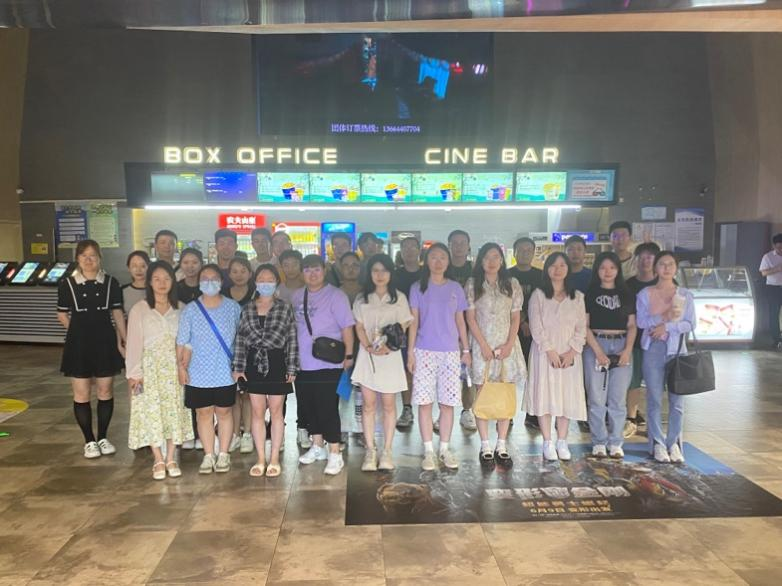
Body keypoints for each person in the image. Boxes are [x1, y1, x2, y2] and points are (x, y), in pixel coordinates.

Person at [56, 239, 126, 459]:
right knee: (82, 393)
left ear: (99, 258)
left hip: (105, 342)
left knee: (105, 390)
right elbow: (62, 314)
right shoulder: (67, 284)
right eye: (84, 255)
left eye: (93, 255)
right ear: (77, 258)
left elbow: (117, 313)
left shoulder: (111, 283)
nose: (88, 260)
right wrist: (77, 331)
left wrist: (125, 339)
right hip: (78, 345)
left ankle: (103, 437)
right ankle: (89, 440)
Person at [125, 261, 193, 480]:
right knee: (151, 410)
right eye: (157, 279)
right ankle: (158, 458)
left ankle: (171, 457)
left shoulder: (181, 308)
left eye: (166, 278)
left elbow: (188, 340)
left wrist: (184, 366)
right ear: (150, 282)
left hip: (174, 368)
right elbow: (134, 343)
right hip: (149, 368)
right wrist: (134, 374)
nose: (162, 283)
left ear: (173, 281)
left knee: (174, 409)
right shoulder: (140, 309)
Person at [408, 242, 471, 471]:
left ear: (448, 261)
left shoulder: (455, 288)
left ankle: (444, 449)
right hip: (424, 351)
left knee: (447, 403)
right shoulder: (418, 287)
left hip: (450, 353)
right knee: (425, 403)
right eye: (433, 257)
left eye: (442, 257)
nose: (438, 261)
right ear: (426, 260)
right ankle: (428, 451)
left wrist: (466, 350)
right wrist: (410, 352)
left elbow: (461, 322)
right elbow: (413, 322)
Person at [233, 264, 299, 478]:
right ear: (255, 282)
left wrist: (292, 366)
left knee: (277, 412)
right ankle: (261, 458)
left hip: (278, 361)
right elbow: (241, 339)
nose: (265, 283)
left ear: (276, 282)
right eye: (261, 279)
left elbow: (292, 338)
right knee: (257, 412)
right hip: (254, 363)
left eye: (270, 279)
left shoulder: (284, 307)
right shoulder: (247, 309)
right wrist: (238, 367)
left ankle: (274, 459)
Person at [465, 243, 527, 467]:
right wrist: (482, 345)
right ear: (480, 261)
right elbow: (471, 318)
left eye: (496, 257)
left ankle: (501, 444)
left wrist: (509, 344)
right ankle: (485, 446)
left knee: (505, 393)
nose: (491, 261)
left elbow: (516, 318)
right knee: (482, 393)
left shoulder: (512, 284)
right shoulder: (472, 284)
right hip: (481, 345)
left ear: (502, 260)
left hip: (506, 345)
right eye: (487, 257)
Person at [292, 255, 355, 475]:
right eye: (307, 270)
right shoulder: (297, 296)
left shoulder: (336, 296)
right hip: (302, 363)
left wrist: (349, 355)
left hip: (328, 363)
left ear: (324, 270)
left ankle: (335, 453)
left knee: (327, 408)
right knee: (309, 407)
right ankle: (317, 445)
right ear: (302, 273)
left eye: (316, 269)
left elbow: (347, 327)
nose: (312, 274)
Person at [176, 264, 241, 474]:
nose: (210, 282)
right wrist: (181, 367)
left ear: (221, 282)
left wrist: (240, 366)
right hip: (197, 372)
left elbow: (241, 339)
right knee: (203, 413)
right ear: (199, 282)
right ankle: (208, 454)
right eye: (205, 278)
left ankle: (223, 454)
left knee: (224, 412)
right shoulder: (190, 310)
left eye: (214, 278)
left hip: (225, 371)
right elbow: (182, 341)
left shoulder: (233, 307)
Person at [523, 252, 587, 462]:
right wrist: (549, 351)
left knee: (566, 395)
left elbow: (581, 327)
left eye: (562, 265)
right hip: (544, 354)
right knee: (545, 395)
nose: (558, 269)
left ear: (568, 269)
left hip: (569, 355)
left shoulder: (577, 297)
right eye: (553, 265)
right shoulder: (538, 295)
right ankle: (548, 441)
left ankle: (562, 440)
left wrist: (572, 351)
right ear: (547, 268)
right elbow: (536, 326)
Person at [352, 254, 413, 471]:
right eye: (375, 270)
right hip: (368, 356)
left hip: (390, 356)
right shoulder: (362, 298)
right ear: (369, 273)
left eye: (384, 270)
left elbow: (404, 325)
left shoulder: (399, 298)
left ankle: (387, 451)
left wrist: (389, 346)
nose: (380, 275)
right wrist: (368, 345)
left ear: (390, 273)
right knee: (368, 404)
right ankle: (370, 450)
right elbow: (359, 326)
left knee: (388, 404)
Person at [636, 251, 696, 463]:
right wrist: (663, 317)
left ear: (676, 268)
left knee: (677, 401)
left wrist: (667, 327)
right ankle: (657, 444)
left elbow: (690, 324)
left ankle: (674, 443)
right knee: (653, 398)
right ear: (656, 268)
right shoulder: (645, 293)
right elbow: (642, 322)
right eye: (662, 264)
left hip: (677, 350)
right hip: (653, 349)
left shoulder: (685, 295)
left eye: (671, 264)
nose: (667, 268)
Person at [583, 252, 637, 459]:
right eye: (603, 268)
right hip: (596, 343)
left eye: (612, 268)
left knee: (617, 398)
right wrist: (597, 351)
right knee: (596, 397)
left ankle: (615, 442)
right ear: (597, 270)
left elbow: (632, 325)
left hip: (622, 343)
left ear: (618, 270)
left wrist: (627, 350)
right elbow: (585, 326)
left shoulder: (626, 293)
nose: (607, 272)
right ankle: (598, 441)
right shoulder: (589, 293)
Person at [624, 241, 660, 437]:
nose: (645, 261)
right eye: (642, 257)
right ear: (635, 260)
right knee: (633, 381)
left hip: (658, 343)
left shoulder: (665, 283)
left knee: (655, 383)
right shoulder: (628, 285)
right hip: (635, 341)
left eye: (650, 257)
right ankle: (631, 419)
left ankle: (654, 423)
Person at [507, 237, 543, 428]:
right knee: (509, 373)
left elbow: (544, 303)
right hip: (510, 332)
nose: (525, 253)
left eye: (529, 250)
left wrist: (530, 323)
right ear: (514, 253)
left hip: (535, 332)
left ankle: (532, 414)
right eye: (521, 250)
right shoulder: (506, 275)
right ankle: (506, 414)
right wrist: (521, 322)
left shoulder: (541, 276)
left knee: (534, 373)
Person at [221, 257, 255, 454]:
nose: (239, 275)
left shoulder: (256, 293)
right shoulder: (223, 294)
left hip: (252, 350)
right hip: (228, 350)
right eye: (234, 271)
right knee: (232, 394)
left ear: (250, 273)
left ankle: (248, 433)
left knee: (248, 394)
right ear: (229, 274)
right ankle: (235, 433)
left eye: (243, 271)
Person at [447, 229, 476, 431]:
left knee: (468, 374)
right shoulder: (440, 269)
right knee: (445, 373)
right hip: (444, 330)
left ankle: (467, 411)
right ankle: (444, 411)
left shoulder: (476, 271)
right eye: (454, 243)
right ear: (449, 246)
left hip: (470, 328)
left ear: (468, 246)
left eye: (462, 243)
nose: (458, 247)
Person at [394, 236, 422, 430]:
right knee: (407, 370)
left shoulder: (427, 274)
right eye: (405, 247)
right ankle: (407, 408)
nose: (410, 250)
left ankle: (430, 412)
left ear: (419, 250)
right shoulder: (395, 275)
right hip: (403, 331)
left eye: (413, 247)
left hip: (427, 330)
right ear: (401, 252)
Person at [760, 233, 782, 350]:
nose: (781, 250)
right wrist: (777, 269)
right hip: (773, 288)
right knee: (774, 313)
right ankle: (776, 339)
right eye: (779, 247)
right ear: (774, 246)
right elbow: (763, 273)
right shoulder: (767, 257)